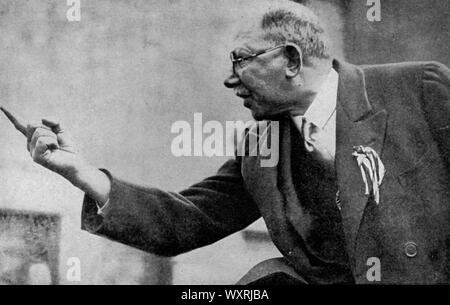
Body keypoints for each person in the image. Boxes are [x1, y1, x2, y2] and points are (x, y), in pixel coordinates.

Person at [2, 0, 450, 284]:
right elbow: (186, 221)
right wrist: (79, 172)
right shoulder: (261, 149)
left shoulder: (420, 89)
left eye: (241, 61)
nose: (229, 78)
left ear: (291, 59)